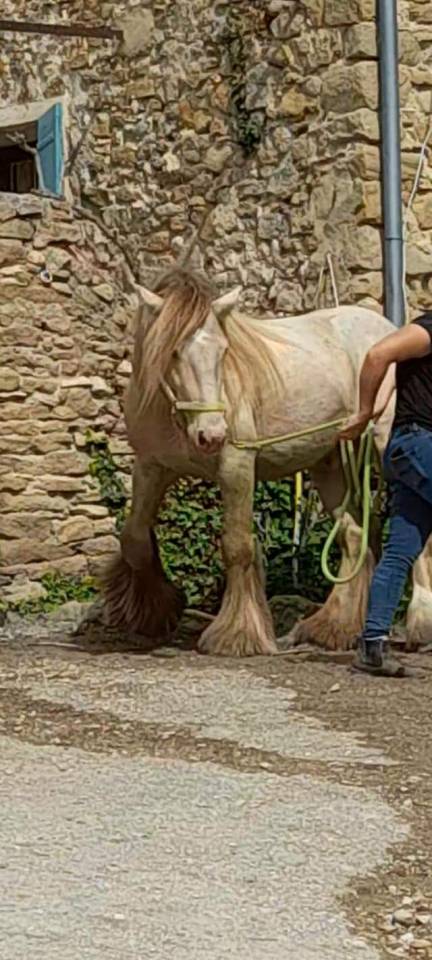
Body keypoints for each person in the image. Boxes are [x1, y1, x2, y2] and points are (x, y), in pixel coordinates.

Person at [340, 312, 432, 677]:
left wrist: (374, 409)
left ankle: (372, 647)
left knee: (400, 551)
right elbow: (379, 354)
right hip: (419, 443)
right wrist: (364, 412)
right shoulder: (428, 329)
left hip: (411, 451)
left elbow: (393, 370)